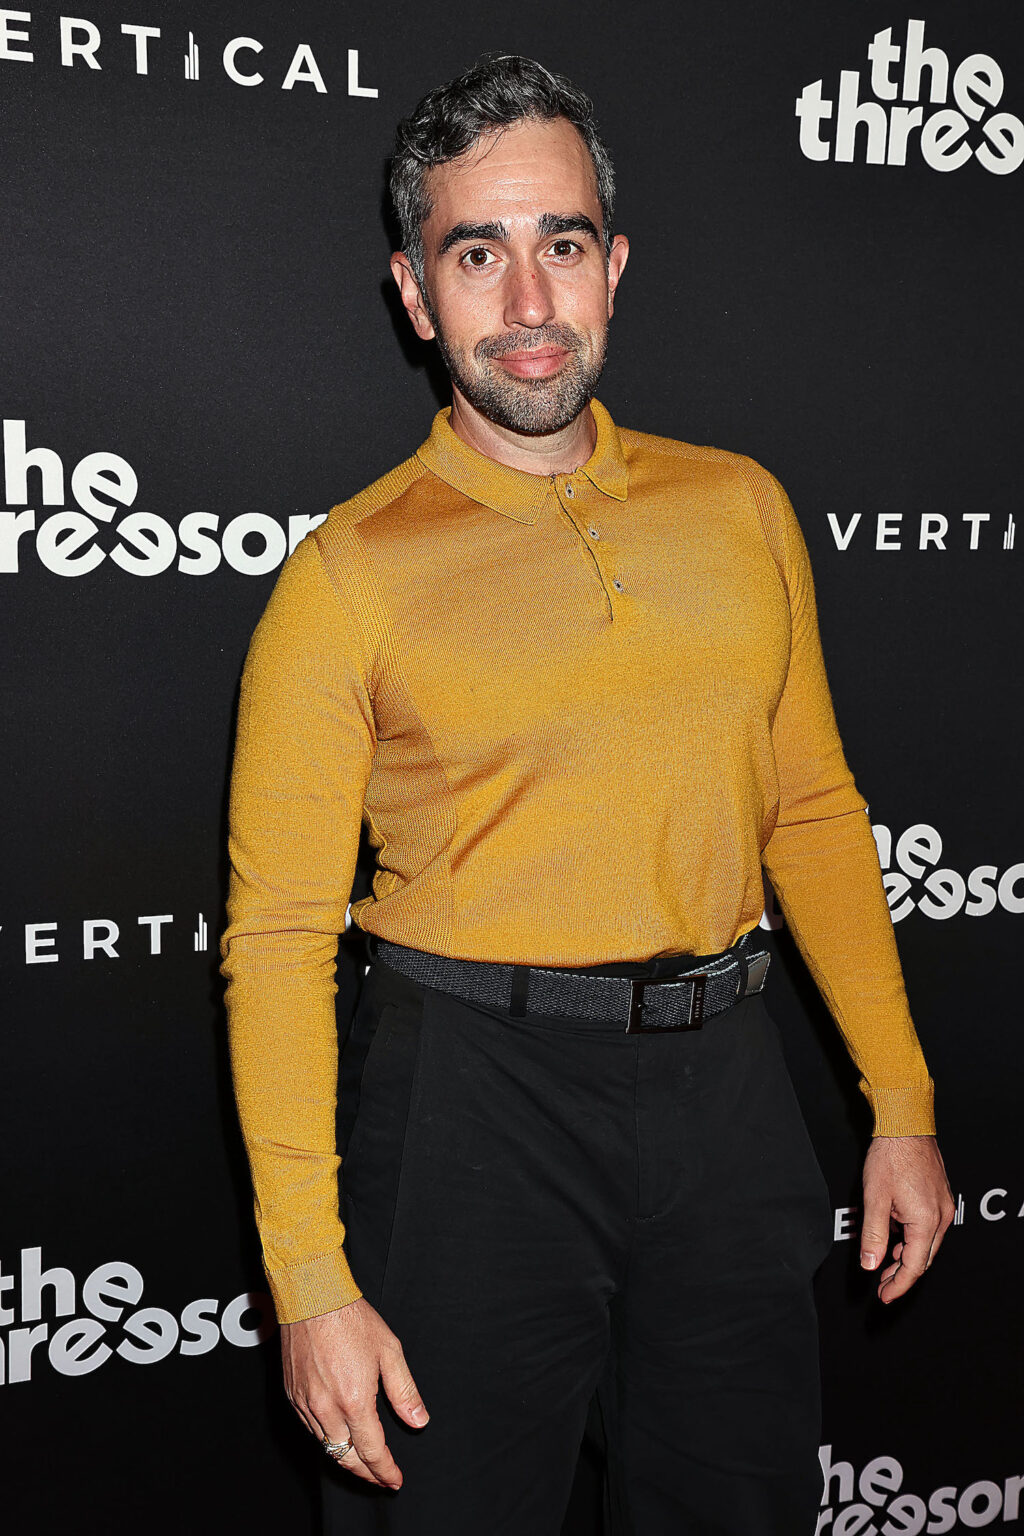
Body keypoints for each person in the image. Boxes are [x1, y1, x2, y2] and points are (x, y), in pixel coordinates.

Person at [218, 51, 955, 1536]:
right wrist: (308, 1278)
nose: (529, 301)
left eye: (561, 243)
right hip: (469, 1109)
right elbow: (280, 937)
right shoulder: (347, 577)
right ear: (416, 295)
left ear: (614, 265)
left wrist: (902, 1101)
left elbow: (811, 809)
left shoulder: (741, 506)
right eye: (475, 253)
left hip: (728, 1087)